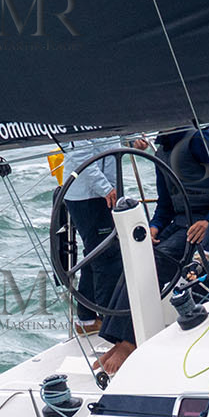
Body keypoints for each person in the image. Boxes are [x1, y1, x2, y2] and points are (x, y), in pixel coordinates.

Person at [94, 126, 209, 374]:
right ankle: (119, 340)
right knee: (134, 259)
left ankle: (130, 343)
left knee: (157, 262)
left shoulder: (204, 138)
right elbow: (165, 204)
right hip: (179, 223)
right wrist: (155, 227)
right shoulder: (162, 151)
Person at [60, 135, 128, 336]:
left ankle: (87, 318)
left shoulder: (97, 108)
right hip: (90, 196)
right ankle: (110, 322)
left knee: (94, 253)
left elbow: (109, 135)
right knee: (106, 257)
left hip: (96, 193)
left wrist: (130, 142)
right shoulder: (78, 113)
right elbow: (81, 156)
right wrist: (106, 189)